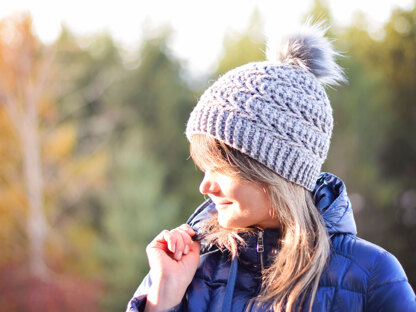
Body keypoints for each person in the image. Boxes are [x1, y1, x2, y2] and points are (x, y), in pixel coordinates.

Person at [127, 23, 416, 312]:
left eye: (220, 168)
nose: (205, 186)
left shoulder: (373, 278)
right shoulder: (188, 267)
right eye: (204, 168)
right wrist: (162, 299)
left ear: (276, 171)